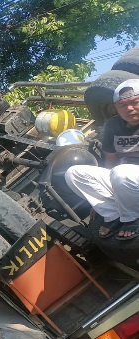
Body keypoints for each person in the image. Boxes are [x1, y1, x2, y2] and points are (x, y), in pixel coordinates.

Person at [65, 79, 139, 240]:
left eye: (135, 102)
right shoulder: (114, 125)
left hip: (130, 178)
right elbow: (110, 162)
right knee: (73, 173)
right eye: (122, 105)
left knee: (121, 173)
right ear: (116, 108)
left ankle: (132, 218)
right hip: (125, 181)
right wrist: (100, 199)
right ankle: (113, 214)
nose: (129, 109)